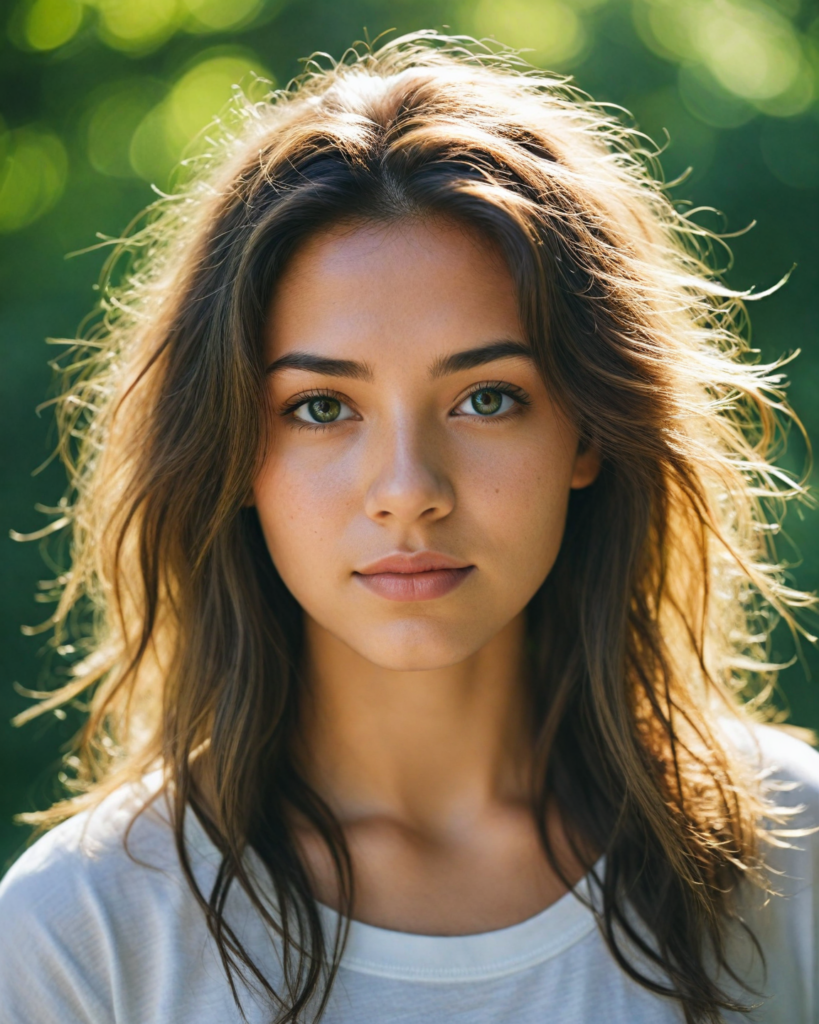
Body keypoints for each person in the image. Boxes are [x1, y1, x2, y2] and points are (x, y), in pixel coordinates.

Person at [0, 32, 816, 1024]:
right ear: (232, 453)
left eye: (485, 399)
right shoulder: (78, 937)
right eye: (319, 407)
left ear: (588, 433)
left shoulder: (790, 856)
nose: (408, 489)